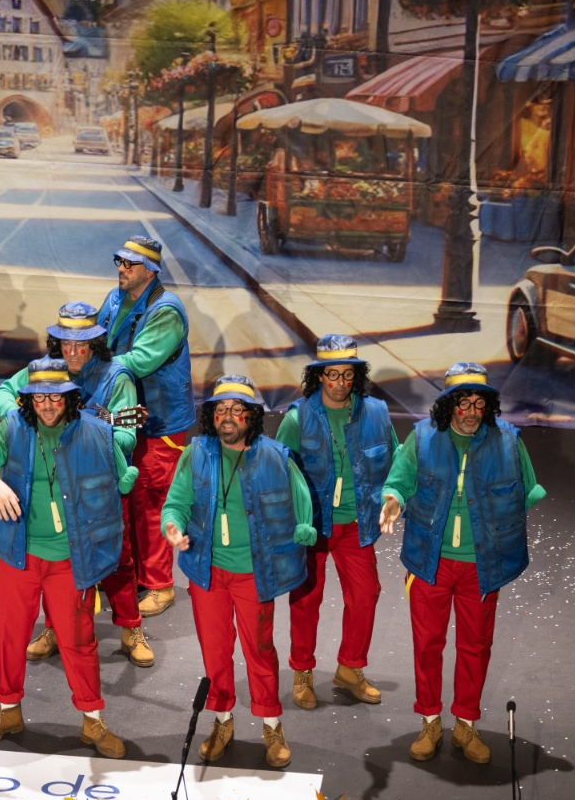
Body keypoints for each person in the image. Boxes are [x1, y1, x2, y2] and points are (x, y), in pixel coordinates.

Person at [0, 358, 138, 758]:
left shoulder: (96, 432)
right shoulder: (12, 428)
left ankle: (93, 721)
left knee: (79, 641)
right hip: (17, 555)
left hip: (69, 561)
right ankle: (7, 711)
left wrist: (123, 479)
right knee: (8, 636)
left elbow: (123, 470)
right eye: (38, 397)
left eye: (55, 397)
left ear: (70, 398)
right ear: (28, 399)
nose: (46, 405)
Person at [379, 363, 545, 764]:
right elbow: (399, 479)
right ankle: (430, 720)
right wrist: (393, 500)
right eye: (464, 403)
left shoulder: (508, 441)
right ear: (448, 406)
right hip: (428, 563)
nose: (471, 411)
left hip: (482, 568)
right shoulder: (421, 438)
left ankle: (466, 724)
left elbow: (528, 488)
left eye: (479, 403)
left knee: (476, 646)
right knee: (428, 644)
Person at [161, 375, 316, 767]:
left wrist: (304, 524)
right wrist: (172, 525)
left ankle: (270, 722)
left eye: (237, 410)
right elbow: (177, 501)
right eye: (220, 409)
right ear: (211, 416)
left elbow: (301, 495)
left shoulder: (275, 455)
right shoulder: (196, 453)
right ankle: (222, 719)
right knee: (215, 651)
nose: (228, 417)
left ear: (251, 416)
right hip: (207, 571)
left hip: (253, 573)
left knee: (259, 651)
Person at [0, 301, 150, 666]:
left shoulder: (117, 377)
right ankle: (54, 627)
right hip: (52, 484)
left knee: (118, 559)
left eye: (82, 345)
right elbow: (4, 390)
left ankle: (130, 628)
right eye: (67, 345)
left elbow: (126, 440)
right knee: (54, 560)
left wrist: (95, 433)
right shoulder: (48, 373)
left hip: (99, 487)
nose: (74, 352)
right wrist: (19, 417)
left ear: (95, 344)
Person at [275, 334, 399, 709]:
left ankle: (349, 668)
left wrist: (395, 496)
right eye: (333, 374)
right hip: (313, 526)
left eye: (348, 375)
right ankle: (302, 671)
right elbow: (279, 474)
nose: (341, 383)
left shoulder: (376, 412)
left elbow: (397, 462)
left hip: (357, 525)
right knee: (306, 598)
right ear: (319, 376)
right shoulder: (297, 418)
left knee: (366, 594)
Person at [95, 236, 192, 618]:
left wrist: (88, 368)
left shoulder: (166, 309)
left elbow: (137, 361)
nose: (121, 268)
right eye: (119, 260)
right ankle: (132, 574)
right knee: (127, 498)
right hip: (124, 415)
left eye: (130, 264)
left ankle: (159, 585)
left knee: (152, 503)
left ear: (150, 271)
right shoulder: (116, 297)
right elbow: (97, 338)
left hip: (159, 421)